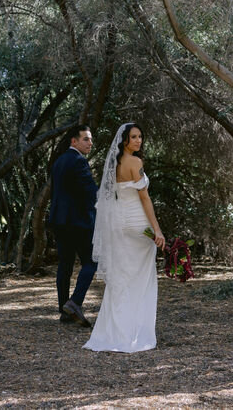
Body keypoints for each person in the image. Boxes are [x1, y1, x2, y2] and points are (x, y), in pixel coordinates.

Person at [84, 122, 165, 353]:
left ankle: (115, 332)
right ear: (125, 140)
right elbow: (145, 199)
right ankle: (134, 332)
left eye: (140, 136)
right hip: (137, 222)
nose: (138, 141)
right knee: (140, 279)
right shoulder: (135, 162)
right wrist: (157, 230)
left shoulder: (116, 163)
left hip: (120, 222)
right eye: (133, 137)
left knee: (121, 277)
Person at [47, 125, 98, 327]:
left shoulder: (59, 161)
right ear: (73, 141)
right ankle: (75, 302)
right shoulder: (78, 161)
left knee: (65, 265)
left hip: (59, 221)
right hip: (78, 222)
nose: (90, 143)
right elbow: (91, 192)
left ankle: (64, 310)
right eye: (86, 139)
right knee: (91, 262)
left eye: (90, 139)